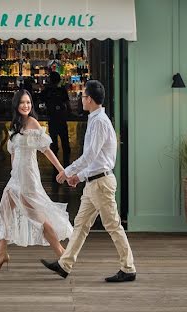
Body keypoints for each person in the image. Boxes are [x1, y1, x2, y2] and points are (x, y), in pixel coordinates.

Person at [40, 79, 136, 283]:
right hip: (94, 182)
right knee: (81, 224)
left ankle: (128, 268)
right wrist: (80, 177)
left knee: (113, 225)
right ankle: (65, 264)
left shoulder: (99, 121)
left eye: (83, 96)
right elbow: (96, 158)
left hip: (101, 184)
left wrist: (67, 172)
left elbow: (91, 155)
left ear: (90, 99)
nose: (81, 99)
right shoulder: (95, 118)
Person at [0, 89, 73, 271]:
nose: (26, 106)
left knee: (37, 217)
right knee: (4, 212)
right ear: (16, 105)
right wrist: (12, 173)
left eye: (28, 103)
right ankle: (2, 254)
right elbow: (13, 152)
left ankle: (62, 254)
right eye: (22, 103)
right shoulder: (15, 125)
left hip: (28, 177)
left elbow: (46, 150)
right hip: (16, 178)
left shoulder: (33, 123)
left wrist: (62, 170)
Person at [40, 71, 72, 168]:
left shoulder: (46, 91)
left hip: (52, 120)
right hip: (61, 120)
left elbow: (40, 104)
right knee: (65, 144)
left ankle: (55, 167)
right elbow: (68, 105)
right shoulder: (62, 90)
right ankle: (66, 165)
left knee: (54, 145)